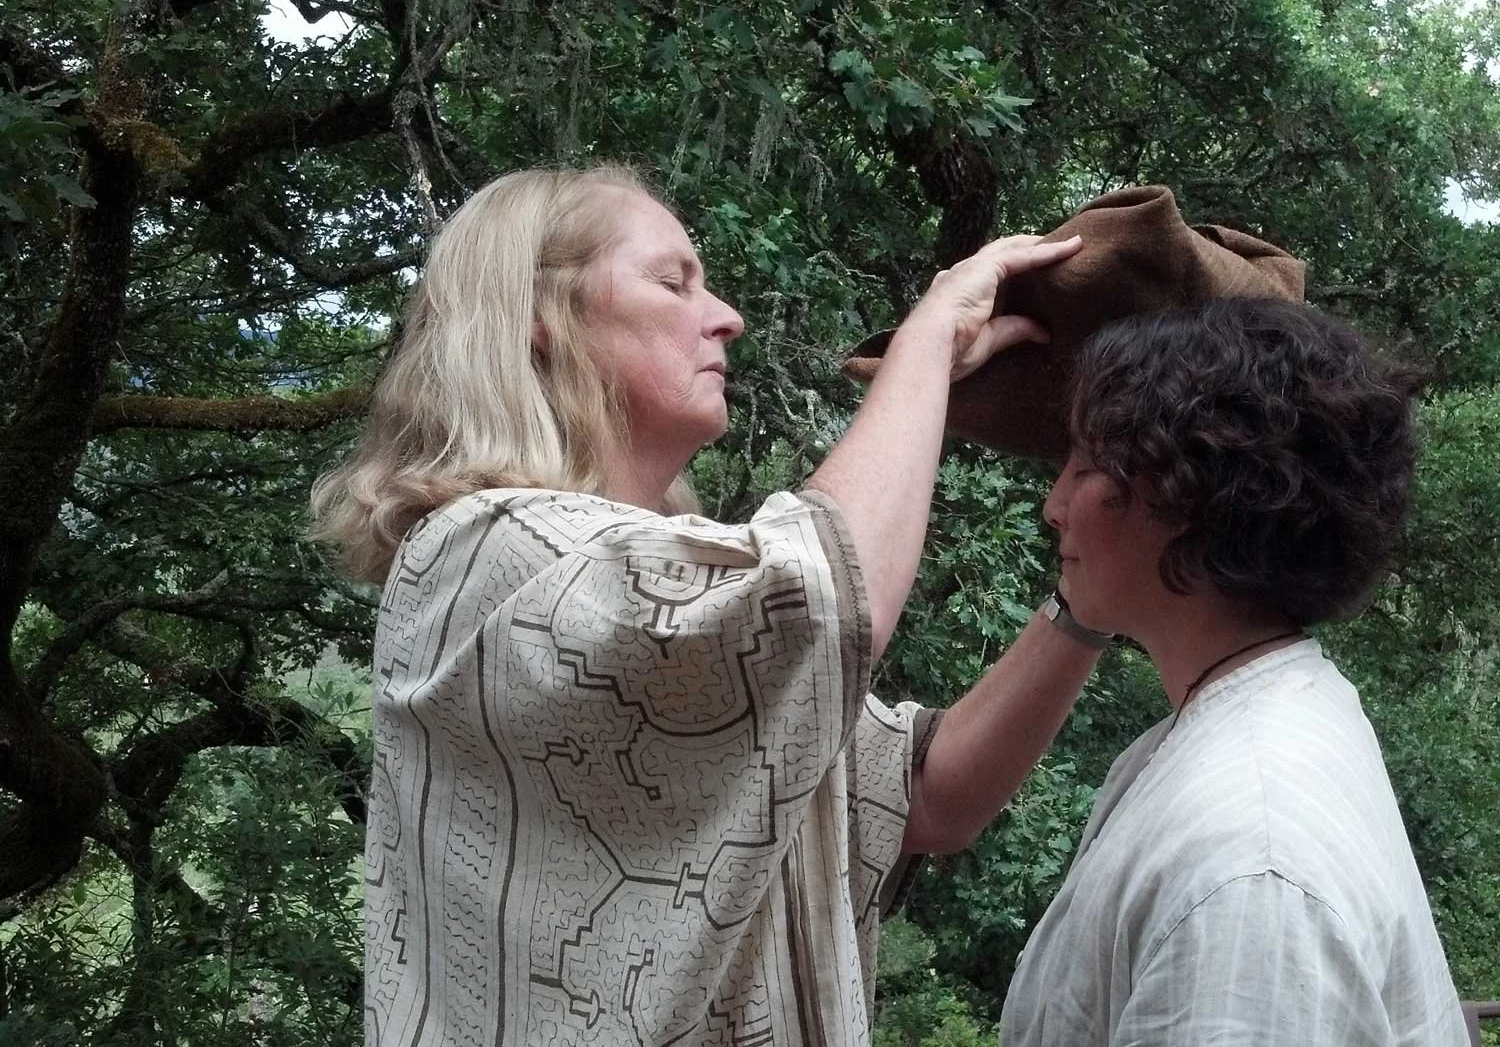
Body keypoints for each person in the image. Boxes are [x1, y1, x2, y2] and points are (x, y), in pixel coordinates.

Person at [310, 165, 1108, 1047]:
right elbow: (819, 596)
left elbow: (926, 795)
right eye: (671, 281)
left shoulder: (671, 612)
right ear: (539, 322)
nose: (726, 316)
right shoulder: (484, 551)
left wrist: (1086, 601)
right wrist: (926, 341)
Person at [999, 297, 1468, 1045]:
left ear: (1188, 492)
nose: (1055, 505)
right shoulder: (1259, 713)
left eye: (1085, 464)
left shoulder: (1247, 870)